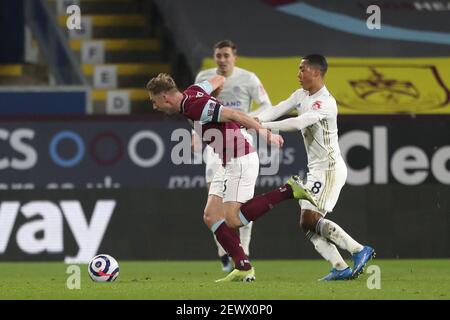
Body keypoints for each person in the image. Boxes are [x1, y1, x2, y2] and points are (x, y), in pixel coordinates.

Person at [146, 73, 317, 282]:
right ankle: (243, 266)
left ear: (165, 97)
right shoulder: (194, 91)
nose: (155, 107)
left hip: (241, 159)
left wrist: (266, 134)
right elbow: (218, 79)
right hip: (226, 161)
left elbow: (235, 114)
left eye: (154, 101)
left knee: (233, 219)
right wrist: (214, 95)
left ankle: (289, 190)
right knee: (211, 216)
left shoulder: (194, 105)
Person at [258, 54, 375, 281]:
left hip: (329, 169)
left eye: (302, 69)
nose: (298, 74)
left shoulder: (326, 103)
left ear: (316, 73)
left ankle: (359, 250)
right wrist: (252, 119)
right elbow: (279, 108)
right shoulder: (301, 95)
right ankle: (340, 267)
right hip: (316, 169)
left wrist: (262, 125)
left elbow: (297, 122)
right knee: (307, 223)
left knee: (310, 219)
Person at [193, 40, 272, 273]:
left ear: (234, 57)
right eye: (218, 55)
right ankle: (224, 253)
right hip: (215, 145)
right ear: (214, 57)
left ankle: (244, 250)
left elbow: (267, 105)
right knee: (215, 203)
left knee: (242, 203)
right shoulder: (204, 77)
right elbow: (196, 111)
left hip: (241, 141)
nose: (222, 60)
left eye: (226, 55)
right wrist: (195, 134)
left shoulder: (248, 78)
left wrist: (241, 117)